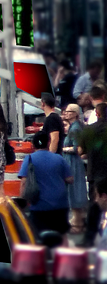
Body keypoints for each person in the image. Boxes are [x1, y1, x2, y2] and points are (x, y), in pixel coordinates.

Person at [18, 131, 74, 240]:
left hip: (38, 205)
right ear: (48, 143)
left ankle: (42, 256)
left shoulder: (29, 159)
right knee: (62, 235)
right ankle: (64, 256)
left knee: (36, 236)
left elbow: (24, 181)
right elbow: (70, 179)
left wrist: (22, 201)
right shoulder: (59, 158)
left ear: (33, 144)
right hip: (60, 204)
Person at [80, 103, 107, 246]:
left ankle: (89, 240)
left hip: (95, 173)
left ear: (97, 114)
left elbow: (81, 151)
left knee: (94, 207)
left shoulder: (89, 130)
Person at [61, 103, 88, 233]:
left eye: (68, 111)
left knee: (74, 189)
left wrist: (64, 149)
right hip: (71, 162)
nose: (66, 113)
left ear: (75, 114)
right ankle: (78, 218)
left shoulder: (75, 128)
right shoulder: (73, 127)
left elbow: (77, 148)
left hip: (73, 162)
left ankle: (78, 222)